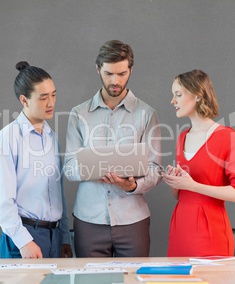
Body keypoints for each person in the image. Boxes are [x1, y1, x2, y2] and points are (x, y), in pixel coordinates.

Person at [64, 40, 162, 257]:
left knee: (134, 281)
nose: (115, 81)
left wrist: (131, 185)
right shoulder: (79, 114)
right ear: (98, 69)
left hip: (133, 219)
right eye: (108, 73)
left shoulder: (147, 114)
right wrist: (94, 170)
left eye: (122, 74)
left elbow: (155, 168)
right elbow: (69, 167)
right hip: (89, 220)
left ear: (131, 70)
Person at [0, 61, 72, 258]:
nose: (51, 103)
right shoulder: (7, 139)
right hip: (24, 236)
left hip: (54, 236)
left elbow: (58, 192)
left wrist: (65, 236)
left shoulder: (52, 137)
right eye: (43, 97)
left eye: (53, 94)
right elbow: (2, 199)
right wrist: (24, 241)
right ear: (24, 100)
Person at [162, 69, 235, 257]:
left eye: (178, 94)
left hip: (210, 230)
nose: (173, 101)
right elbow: (180, 195)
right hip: (180, 227)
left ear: (198, 96)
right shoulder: (182, 137)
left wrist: (193, 185)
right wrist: (174, 182)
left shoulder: (227, 137)